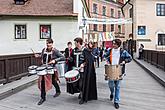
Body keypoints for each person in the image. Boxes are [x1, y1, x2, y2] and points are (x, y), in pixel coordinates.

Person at [34, 38, 65, 105]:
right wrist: (38, 56)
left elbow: (63, 57)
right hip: (44, 68)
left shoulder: (55, 51)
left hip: (51, 68)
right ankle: (43, 97)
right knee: (42, 82)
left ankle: (58, 91)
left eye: (49, 43)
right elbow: (42, 56)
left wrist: (55, 60)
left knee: (53, 81)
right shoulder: (44, 50)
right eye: (47, 43)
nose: (48, 44)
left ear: (52, 44)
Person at [104, 39, 132, 109]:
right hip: (111, 69)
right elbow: (104, 56)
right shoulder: (110, 50)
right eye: (113, 44)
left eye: (115, 44)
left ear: (118, 45)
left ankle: (116, 101)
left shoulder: (123, 52)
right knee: (111, 85)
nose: (113, 45)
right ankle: (112, 93)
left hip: (119, 70)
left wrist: (124, 61)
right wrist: (106, 60)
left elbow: (130, 58)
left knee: (118, 86)